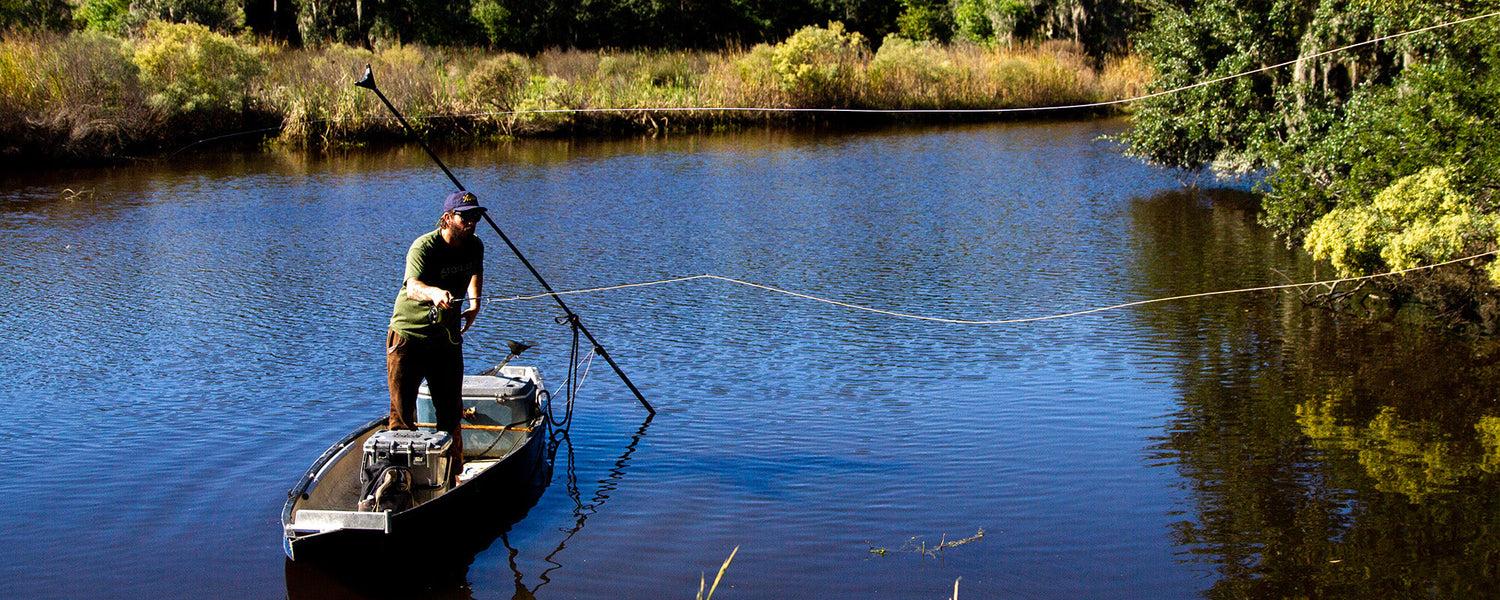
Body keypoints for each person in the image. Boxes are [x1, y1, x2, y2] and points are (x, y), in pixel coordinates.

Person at [386, 190, 486, 481]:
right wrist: (433, 293)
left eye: (476, 216)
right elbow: (413, 286)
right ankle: (401, 481)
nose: (472, 222)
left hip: (447, 340)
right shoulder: (423, 247)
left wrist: (475, 303)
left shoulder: (475, 245)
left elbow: (475, 272)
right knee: (402, 417)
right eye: (465, 217)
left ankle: (452, 477)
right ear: (447, 219)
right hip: (408, 339)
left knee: (451, 413)